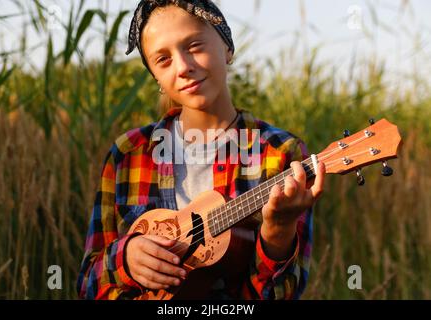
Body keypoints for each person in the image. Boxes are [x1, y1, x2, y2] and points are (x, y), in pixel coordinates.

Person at [77, 0, 325, 300]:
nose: (183, 67)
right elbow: (88, 284)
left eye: (194, 45)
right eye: (163, 60)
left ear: (227, 48)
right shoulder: (128, 154)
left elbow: (283, 294)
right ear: (155, 76)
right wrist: (124, 258)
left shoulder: (280, 153)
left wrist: (279, 231)